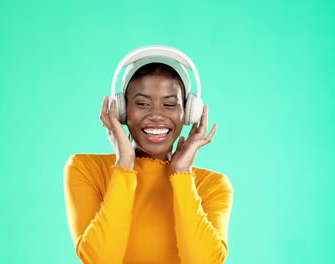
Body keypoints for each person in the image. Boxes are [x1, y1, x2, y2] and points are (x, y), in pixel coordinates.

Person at [63, 60, 234, 264]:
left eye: (170, 104)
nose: (156, 115)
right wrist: (125, 164)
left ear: (188, 113)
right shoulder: (86, 169)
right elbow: (100, 260)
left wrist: (181, 174)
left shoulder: (212, 185)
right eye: (142, 103)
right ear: (122, 112)